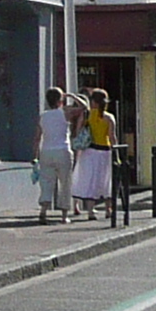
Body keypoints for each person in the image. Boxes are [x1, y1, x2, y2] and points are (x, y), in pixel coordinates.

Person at [70, 90, 118, 218]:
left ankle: (90, 211)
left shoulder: (87, 115)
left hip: (90, 151)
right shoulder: (109, 117)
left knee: (90, 179)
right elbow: (112, 136)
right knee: (106, 180)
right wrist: (117, 153)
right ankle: (109, 209)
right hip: (105, 151)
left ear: (93, 102)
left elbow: (78, 131)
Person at [35, 88, 75, 218]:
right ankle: (64, 215)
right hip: (63, 150)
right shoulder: (64, 112)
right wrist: (71, 95)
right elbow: (84, 107)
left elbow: (37, 137)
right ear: (60, 100)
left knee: (46, 182)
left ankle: (43, 211)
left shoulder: (43, 116)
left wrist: (35, 156)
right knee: (65, 182)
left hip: (46, 151)